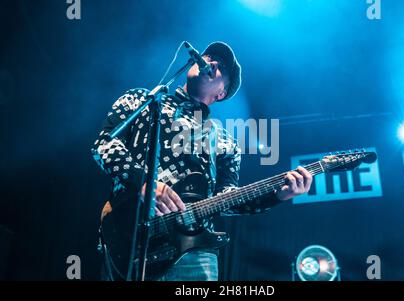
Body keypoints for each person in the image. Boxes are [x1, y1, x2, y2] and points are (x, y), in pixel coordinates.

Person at [91, 41, 313, 281]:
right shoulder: (140, 100)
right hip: (129, 237)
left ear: (221, 94)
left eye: (222, 68)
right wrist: (144, 182)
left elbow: (227, 198)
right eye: (209, 56)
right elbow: (104, 145)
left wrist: (277, 195)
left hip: (192, 252)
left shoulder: (226, 141)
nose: (212, 62)